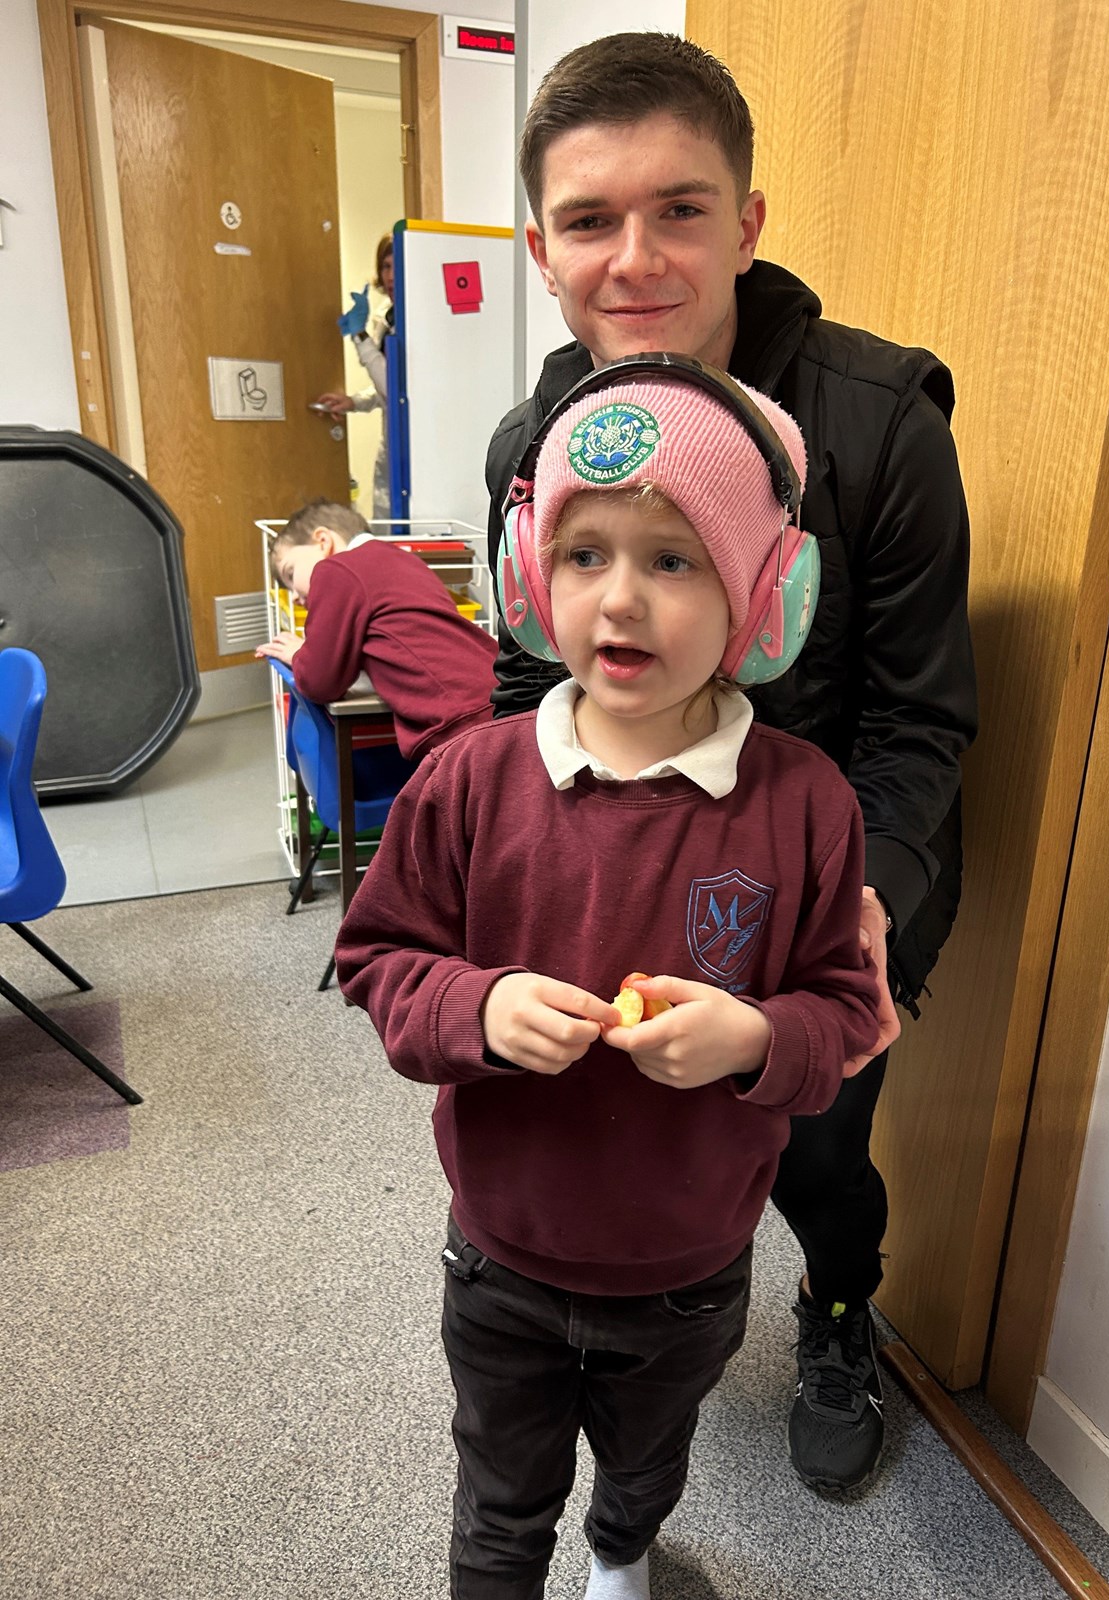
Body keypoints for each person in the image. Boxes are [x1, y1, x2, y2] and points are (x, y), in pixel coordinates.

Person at [484, 32, 978, 1493]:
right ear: (539, 247)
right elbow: (527, 677)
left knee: (814, 1150)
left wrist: (862, 906)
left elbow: (921, 721)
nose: (636, 259)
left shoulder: (885, 422)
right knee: (614, 1132)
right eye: (589, 219)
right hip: (618, 855)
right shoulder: (534, 438)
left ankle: (836, 1312)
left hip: (824, 882)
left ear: (746, 222)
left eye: (680, 209)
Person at [336, 358, 881, 1599]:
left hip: (689, 1271)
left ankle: (623, 1559)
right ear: (530, 575)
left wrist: (752, 1038)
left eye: (673, 559)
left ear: (760, 593)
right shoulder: (469, 781)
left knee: (646, 1468)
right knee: (497, 1502)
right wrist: (474, 1006)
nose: (620, 601)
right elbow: (376, 961)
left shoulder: (804, 804)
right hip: (504, 1256)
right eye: (584, 555)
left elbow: (845, 1012)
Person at [257, 499, 497, 764]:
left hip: (457, 723)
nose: (294, 597)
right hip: (496, 695)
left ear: (323, 541)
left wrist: (298, 654)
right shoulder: (405, 561)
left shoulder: (336, 569)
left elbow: (320, 681)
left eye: (291, 574)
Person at [314, 233, 396, 517]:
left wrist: (361, 337)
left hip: (417, 444)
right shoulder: (385, 317)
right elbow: (388, 387)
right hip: (392, 440)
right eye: (386, 266)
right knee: (387, 529)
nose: (391, 276)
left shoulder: (421, 320)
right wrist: (354, 402)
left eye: (398, 265)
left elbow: (395, 387)